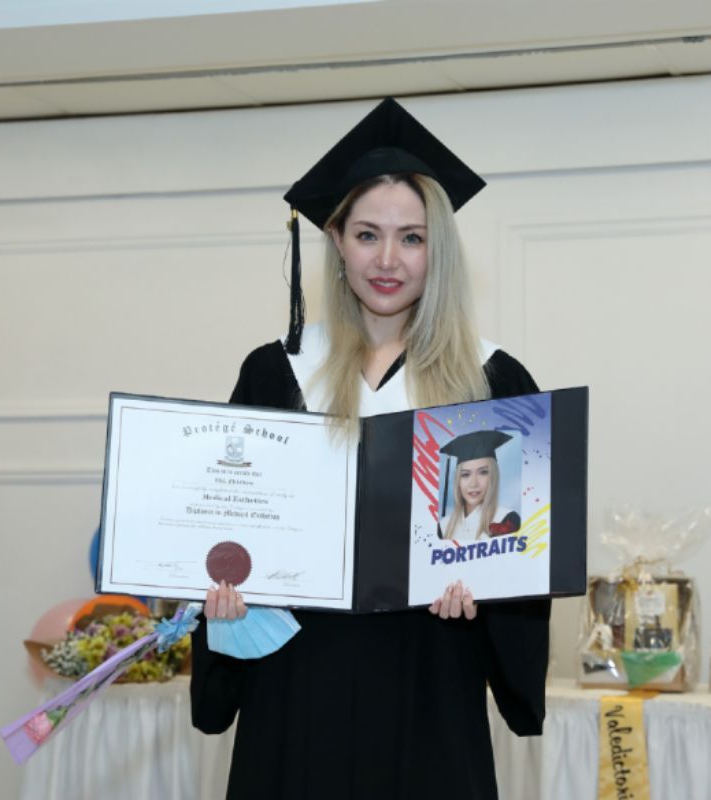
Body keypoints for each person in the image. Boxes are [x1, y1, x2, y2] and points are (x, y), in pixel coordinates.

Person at [190, 98, 550, 800]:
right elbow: (232, 531)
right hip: (295, 684)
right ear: (336, 240)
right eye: (367, 235)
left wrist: (484, 597)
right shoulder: (276, 372)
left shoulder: (490, 380)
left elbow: (521, 563)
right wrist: (227, 610)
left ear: (438, 250)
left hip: (430, 681)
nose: (388, 260)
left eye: (412, 238)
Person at [438, 430, 523, 541]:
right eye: (465, 474)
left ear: (493, 476)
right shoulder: (444, 526)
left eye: (483, 472)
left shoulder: (507, 519)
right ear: (458, 480)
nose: (473, 483)